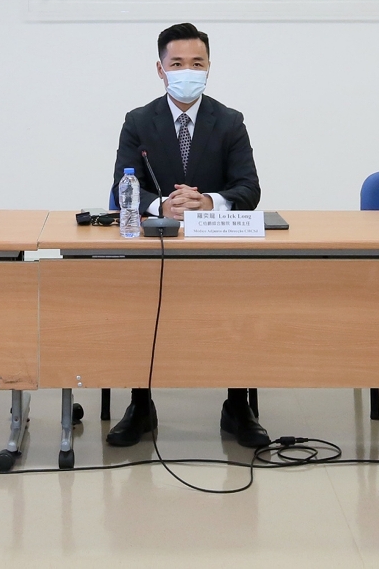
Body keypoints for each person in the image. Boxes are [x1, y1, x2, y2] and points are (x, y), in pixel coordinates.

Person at [106, 23, 268, 449]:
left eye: (197, 63)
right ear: (160, 69)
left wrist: (209, 202)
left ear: (209, 67)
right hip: (155, 247)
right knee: (137, 304)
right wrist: (163, 206)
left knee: (237, 307)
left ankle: (237, 405)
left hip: (216, 248)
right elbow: (121, 189)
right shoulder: (139, 121)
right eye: (177, 63)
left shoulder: (229, 121)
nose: (187, 71)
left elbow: (249, 189)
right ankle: (140, 404)